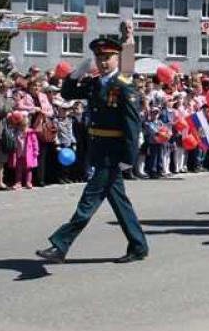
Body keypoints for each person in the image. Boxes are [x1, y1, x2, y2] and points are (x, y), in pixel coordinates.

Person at [36, 36, 149, 264]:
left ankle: (61, 244)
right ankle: (138, 246)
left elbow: (132, 124)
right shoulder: (96, 83)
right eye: (99, 57)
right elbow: (67, 94)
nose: (103, 62)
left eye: (108, 57)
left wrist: (129, 157)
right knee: (119, 201)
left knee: (89, 200)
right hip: (99, 150)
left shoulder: (125, 85)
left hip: (114, 154)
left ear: (118, 58)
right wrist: (77, 73)